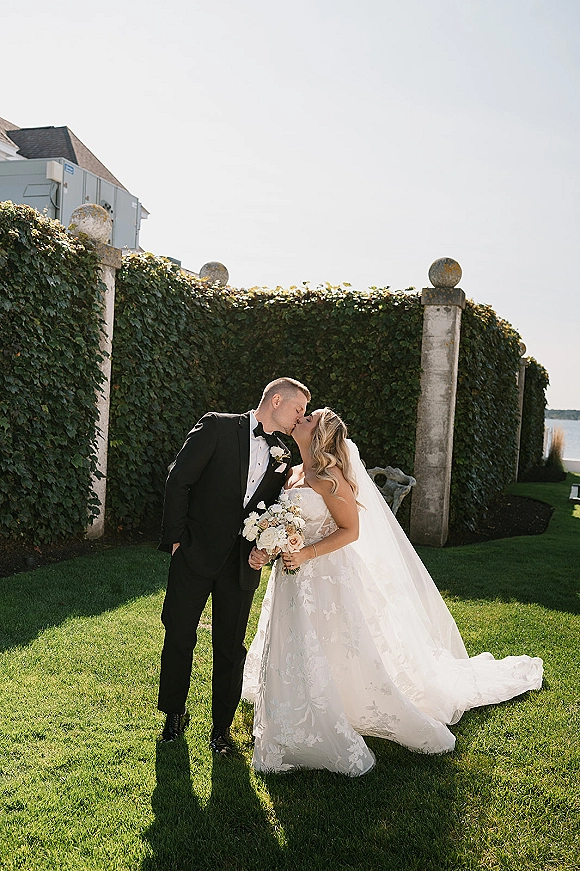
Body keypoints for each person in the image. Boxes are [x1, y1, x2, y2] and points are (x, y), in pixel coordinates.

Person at [242, 408, 543, 775]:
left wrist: (305, 553)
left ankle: (335, 708)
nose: (299, 419)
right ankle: (295, 706)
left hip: (324, 576)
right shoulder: (291, 474)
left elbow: (350, 530)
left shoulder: (329, 477)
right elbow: (287, 525)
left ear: (320, 435)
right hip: (291, 577)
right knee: (299, 643)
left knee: (335, 642)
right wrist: (269, 547)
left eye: (308, 419)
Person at [157, 377, 310, 753]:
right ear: (277, 400)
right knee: (179, 635)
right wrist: (176, 541)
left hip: (241, 566)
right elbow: (178, 481)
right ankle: (173, 715)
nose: (300, 418)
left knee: (230, 647)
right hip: (194, 554)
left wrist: (265, 550)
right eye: (298, 410)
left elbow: (273, 512)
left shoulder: (283, 456)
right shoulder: (217, 426)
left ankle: (220, 730)